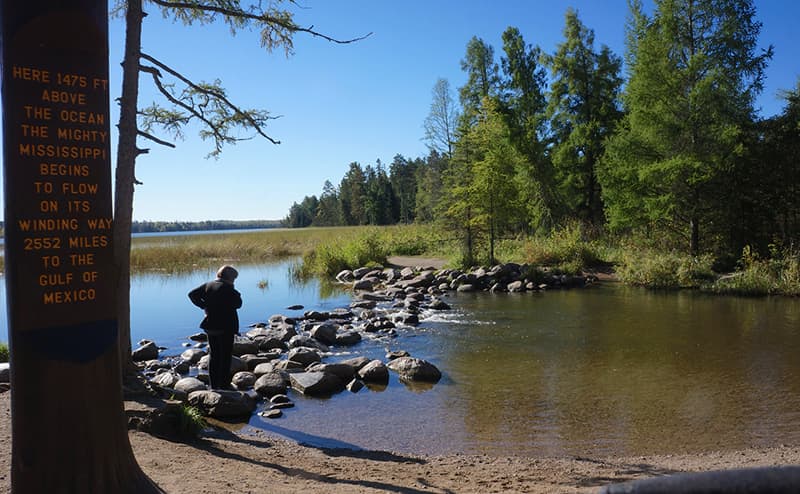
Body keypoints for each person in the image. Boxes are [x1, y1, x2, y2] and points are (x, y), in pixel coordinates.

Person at [188, 265, 242, 390]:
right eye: (234, 279)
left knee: (214, 355)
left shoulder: (208, 285)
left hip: (210, 325)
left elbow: (192, 294)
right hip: (225, 327)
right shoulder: (229, 289)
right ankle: (224, 385)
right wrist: (233, 289)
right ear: (231, 279)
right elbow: (238, 304)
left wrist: (204, 306)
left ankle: (213, 385)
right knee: (225, 356)